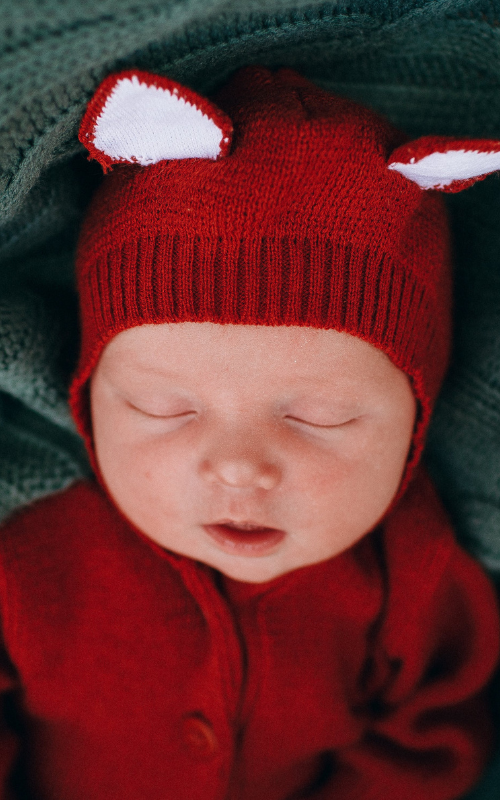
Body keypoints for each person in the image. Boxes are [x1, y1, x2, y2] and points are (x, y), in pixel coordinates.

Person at [0, 64, 499, 800]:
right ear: (87, 401)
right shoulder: (31, 558)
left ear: (415, 426)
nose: (238, 468)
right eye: (163, 409)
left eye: (319, 417)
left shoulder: (412, 576)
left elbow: (430, 736)